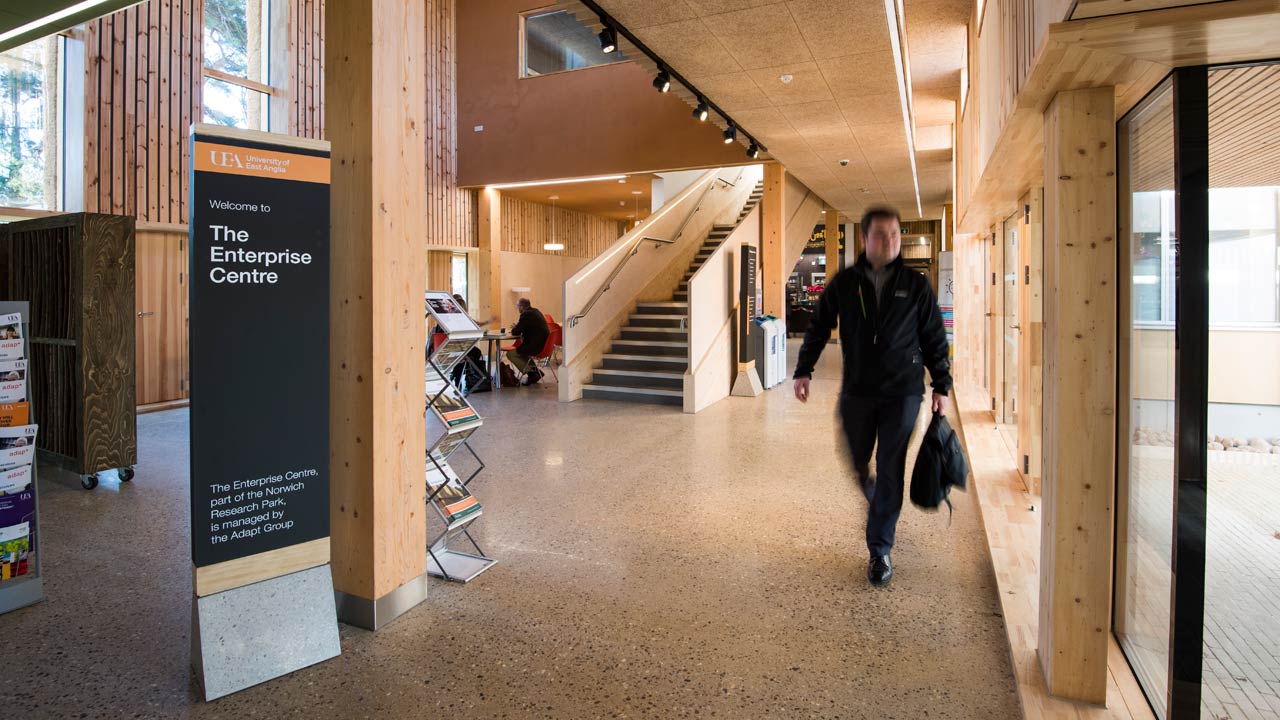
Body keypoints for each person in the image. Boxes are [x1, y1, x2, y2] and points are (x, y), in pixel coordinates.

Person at [792, 206, 952, 588]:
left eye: (896, 234)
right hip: (858, 390)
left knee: (891, 466)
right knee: (856, 454)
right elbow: (818, 326)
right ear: (865, 238)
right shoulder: (846, 282)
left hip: (903, 392)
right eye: (882, 235)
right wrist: (804, 369)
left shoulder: (915, 285)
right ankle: (872, 487)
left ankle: (880, 549)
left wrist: (941, 385)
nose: (890, 241)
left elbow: (934, 337)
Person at [506, 297, 550, 385]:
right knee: (523, 353)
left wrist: (515, 328)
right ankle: (536, 372)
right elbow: (525, 327)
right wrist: (518, 327)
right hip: (543, 345)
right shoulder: (536, 311)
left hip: (535, 346)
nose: (517, 308)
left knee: (510, 354)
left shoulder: (526, 315)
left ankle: (532, 374)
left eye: (517, 306)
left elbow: (516, 332)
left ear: (522, 306)